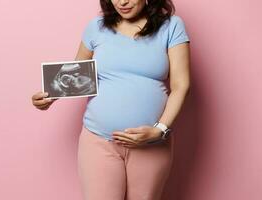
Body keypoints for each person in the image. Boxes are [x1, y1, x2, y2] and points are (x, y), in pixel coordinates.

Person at [31, 0, 190, 199]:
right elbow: (75, 75)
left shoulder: (171, 26)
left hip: (150, 143)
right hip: (98, 140)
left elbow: (181, 85)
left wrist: (160, 130)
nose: (122, 2)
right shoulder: (96, 27)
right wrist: (49, 97)